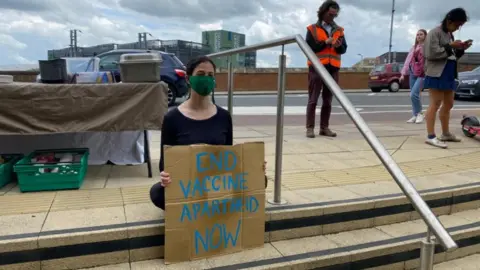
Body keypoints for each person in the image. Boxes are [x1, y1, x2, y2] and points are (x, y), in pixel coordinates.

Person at [150, 56, 266, 210]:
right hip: (189, 184)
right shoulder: (172, 118)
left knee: (260, 179)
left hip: (216, 183)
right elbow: (166, 162)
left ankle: (213, 202)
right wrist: (166, 176)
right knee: (157, 193)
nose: (206, 79)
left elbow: (229, 156)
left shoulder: (224, 116)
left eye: (210, 75)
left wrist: (253, 166)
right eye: (200, 74)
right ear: (188, 78)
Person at [423, 7, 471, 148]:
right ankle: (430, 136)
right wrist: (450, 45)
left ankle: (445, 133)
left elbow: (452, 55)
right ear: (449, 21)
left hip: (449, 72)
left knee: (449, 103)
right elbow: (430, 54)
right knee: (435, 103)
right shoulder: (434, 33)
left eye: (460, 26)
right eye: (456, 25)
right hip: (436, 73)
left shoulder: (449, 35)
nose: (457, 28)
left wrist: (461, 48)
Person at [305, 0, 347, 138]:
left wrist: (338, 46)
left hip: (333, 68)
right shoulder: (312, 29)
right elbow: (309, 48)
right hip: (317, 67)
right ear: (323, 12)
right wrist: (325, 43)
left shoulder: (339, 30)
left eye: (334, 15)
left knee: (328, 100)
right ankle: (310, 128)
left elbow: (344, 49)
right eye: (330, 14)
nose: (332, 17)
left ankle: (324, 127)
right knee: (313, 99)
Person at [400, 29, 427, 124]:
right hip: (412, 72)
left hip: (422, 73)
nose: (419, 36)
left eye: (421, 34)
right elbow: (408, 60)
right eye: (417, 35)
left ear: (425, 36)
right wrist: (403, 73)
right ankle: (415, 115)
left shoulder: (427, 47)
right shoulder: (414, 47)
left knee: (414, 94)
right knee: (414, 95)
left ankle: (420, 114)